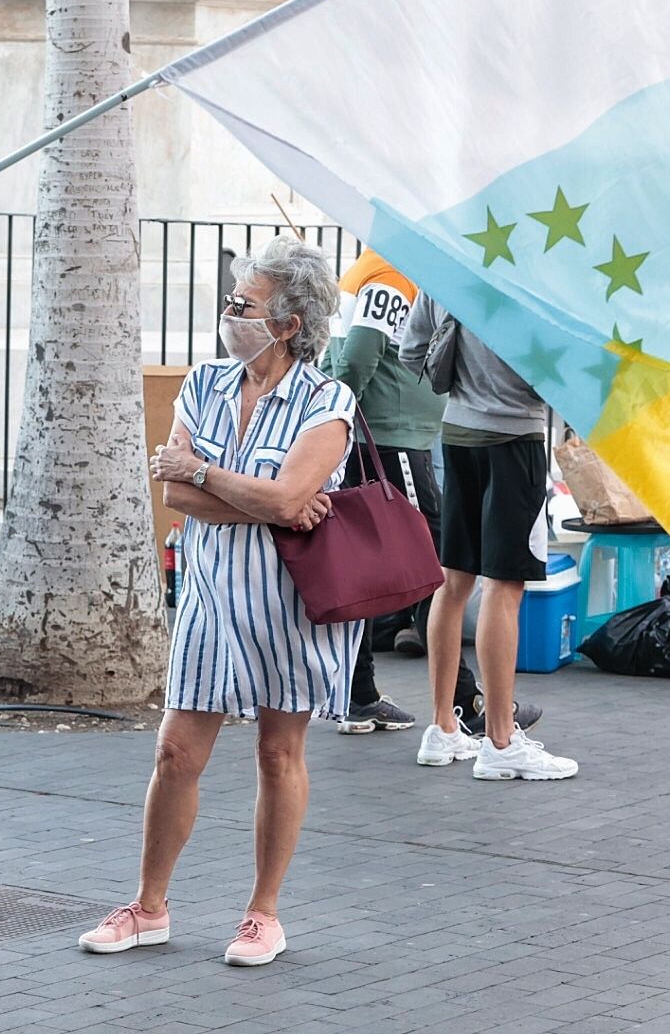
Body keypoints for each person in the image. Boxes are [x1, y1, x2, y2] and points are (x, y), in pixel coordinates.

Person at [78, 236, 360, 967]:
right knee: (175, 749)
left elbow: (283, 491)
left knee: (276, 752)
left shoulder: (328, 400)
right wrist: (267, 501)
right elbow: (174, 493)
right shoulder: (204, 382)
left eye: (246, 305)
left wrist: (210, 472)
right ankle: (148, 905)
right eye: (233, 302)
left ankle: (263, 914)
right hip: (208, 595)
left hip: (289, 604)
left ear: (290, 322)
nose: (230, 314)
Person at [321, 250, 540, 738]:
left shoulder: (376, 273)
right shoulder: (390, 276)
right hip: (392, 441)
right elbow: (357, 358)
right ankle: (467, 705)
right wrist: (335, 420)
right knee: (434, 569)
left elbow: (355, 355)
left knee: (400, 569)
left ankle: (361, 694)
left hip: (395, 439)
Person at [399, 293, 578, 780]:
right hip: (513, 439)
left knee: (452, 581)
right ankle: (500, 740)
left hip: (457, 433)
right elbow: (558, 373)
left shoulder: (444, 265)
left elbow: (411, 350)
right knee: (504, 585)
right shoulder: (524, 279)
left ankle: (443, 728)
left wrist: (466, 384)